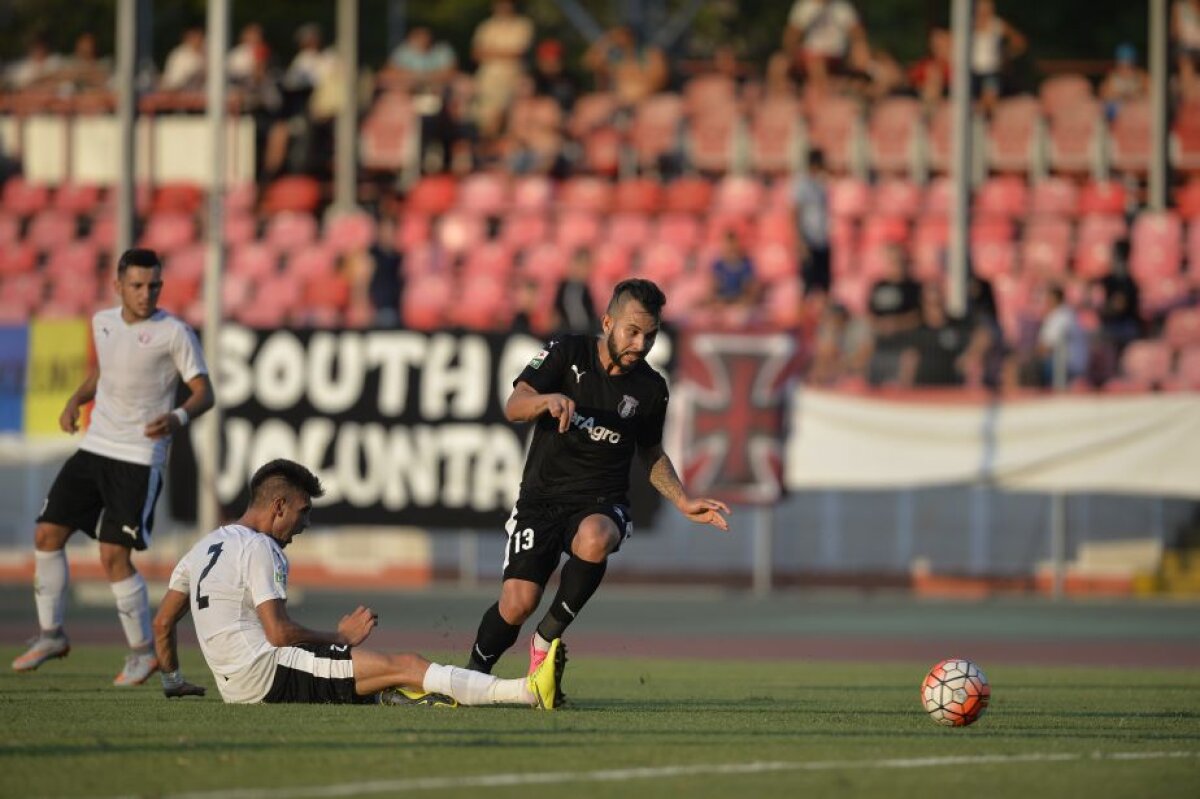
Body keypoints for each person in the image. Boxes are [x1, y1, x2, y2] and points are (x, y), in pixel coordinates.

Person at [464, 279, 730, 683]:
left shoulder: (651, 388)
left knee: (595, 536)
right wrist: (545, 400)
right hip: (541, 498)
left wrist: (681, 499)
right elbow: (515, 405)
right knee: (518, 603)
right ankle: (473, 675)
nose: (641, 344)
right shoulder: (567, 351)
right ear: (607, 322)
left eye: (651, 335)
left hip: (601, 499)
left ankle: (546, 638)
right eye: (633, 331)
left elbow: (651, 452)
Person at [153, 459, 563, 707]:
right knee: (406, 664)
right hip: (265, 673)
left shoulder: (204, 546)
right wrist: (340, 634)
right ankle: (525, 692)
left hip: (236, 683)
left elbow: (162, 624)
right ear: (278, 506)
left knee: (383, 679)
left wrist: (172, 681)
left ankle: (415, 699)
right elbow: (277, 634)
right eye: (303, 511)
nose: (305, 523)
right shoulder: (261, 548)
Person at [12, 248, 214, 686]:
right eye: (138, 285)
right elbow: (106, 373)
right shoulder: (102, 322)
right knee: (47, 533)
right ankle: (51, 634)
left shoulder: (174, 333)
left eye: (154, 285)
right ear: (118, 285)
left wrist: (177, 417)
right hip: (95, 447)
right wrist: (75, 400)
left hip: (138, 458)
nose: (146, 294)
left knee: (112, 555)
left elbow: (204, 392)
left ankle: (142, 653)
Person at [793, 149, 832, 295]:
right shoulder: (801, 184)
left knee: (824, 282)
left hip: (822, 239)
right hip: (808, 239)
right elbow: (795, 212)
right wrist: (800, 240)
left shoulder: (821, 184)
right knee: (808, 282)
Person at [553, 248, 599, 334]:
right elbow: (557, 313)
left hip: (588, 331)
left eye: (585, 266)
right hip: (567, 331)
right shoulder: (563, 287)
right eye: (580, 264)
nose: (582, 269)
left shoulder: (587, 289)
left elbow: (591, 314)